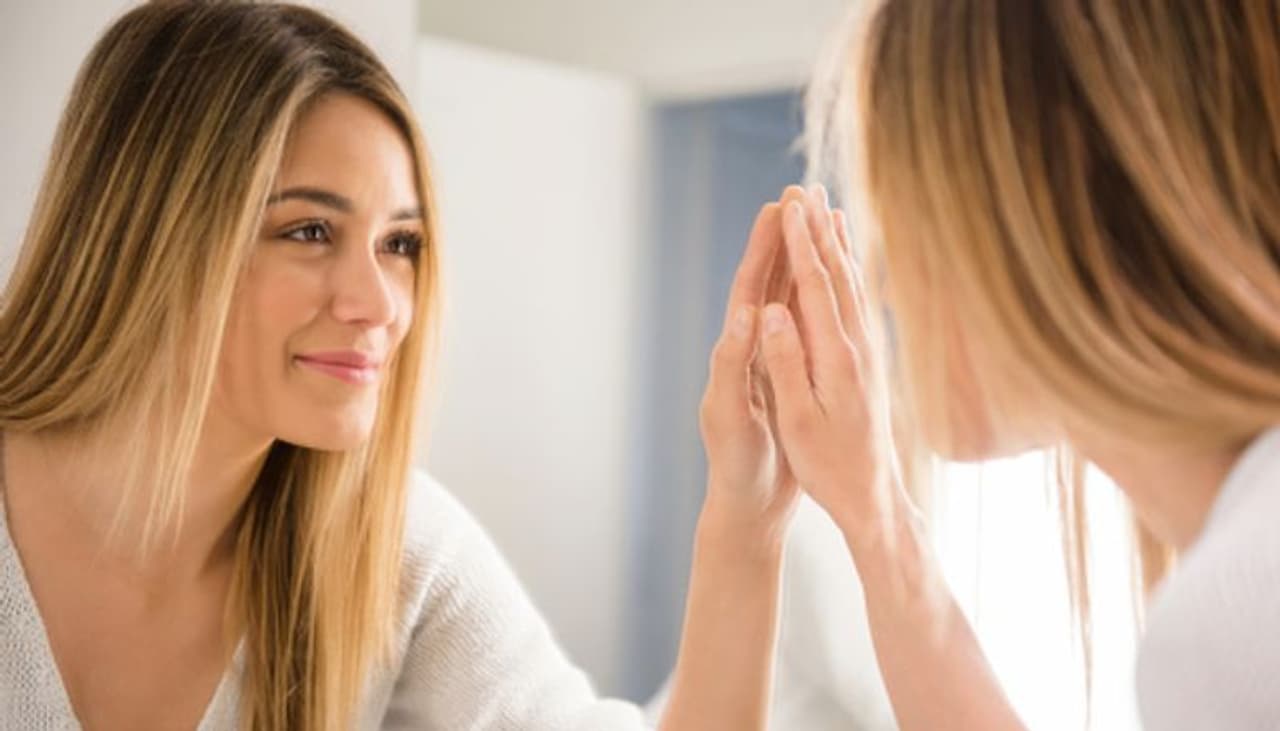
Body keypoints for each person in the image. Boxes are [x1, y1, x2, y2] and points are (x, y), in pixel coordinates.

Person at [0, 2, 796, 728]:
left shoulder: (391, 552)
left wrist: (746, 514)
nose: (378, 303)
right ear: (151, 234)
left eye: (400, 243)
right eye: (310, 231)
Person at [713, 1, 1279, 729]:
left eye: (906, 204)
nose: (883, 283)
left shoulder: (1230, 624)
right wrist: (873, 513)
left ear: (1047, 200)